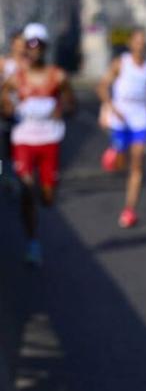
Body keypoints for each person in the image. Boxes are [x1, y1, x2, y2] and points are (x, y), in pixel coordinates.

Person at [0, 23, 75, 266]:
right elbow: (3, 102)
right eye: (28, 44)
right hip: (23, 139)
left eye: (37, 44)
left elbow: (71, 105)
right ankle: (33, 242)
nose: (32, 49)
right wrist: (7, 108)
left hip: (49, 140)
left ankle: (47, 189)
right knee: (27, 189)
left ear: (43, 48)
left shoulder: (58, 76)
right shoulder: (16, 78)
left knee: (48, 197)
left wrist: (61, 108)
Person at [96, 27, 146, 228]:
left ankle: (129, 209)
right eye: (137, 41)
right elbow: (102, 86)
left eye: (144, 41)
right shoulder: (120, 63)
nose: (140, 45)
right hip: (120, 118)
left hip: (141, 119)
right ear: (131, 43)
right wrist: (111, 107)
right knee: (120, 162)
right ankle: (115, 150)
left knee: (137, 165)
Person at [0, 32, 25, 172]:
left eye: (23, 44)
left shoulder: (30, 64)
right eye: (18, 44)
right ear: (12, 45)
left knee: (20, 151)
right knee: (4, 151)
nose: (21, 48)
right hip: (7, 112)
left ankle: (19, 174)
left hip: (25, 114)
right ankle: (3, 174)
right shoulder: (4, 63)